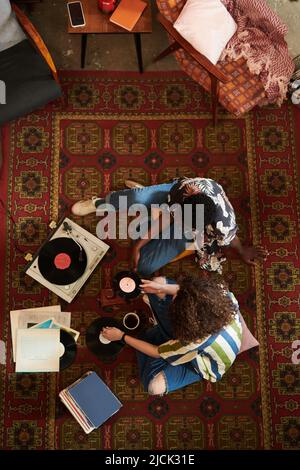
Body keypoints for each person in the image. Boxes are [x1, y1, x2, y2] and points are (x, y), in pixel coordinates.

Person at [71, 177, 268, 276]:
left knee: (144, 268)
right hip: (172, 198)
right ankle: (98, 203)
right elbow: (169, 216)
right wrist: (138, 246)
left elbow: (231, 239)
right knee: (136, 198)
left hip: (191, 231)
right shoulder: (187, 189)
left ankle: (149, 210)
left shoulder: (223, 227)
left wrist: (242, 250)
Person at [101, 275, 243, 395]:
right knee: (159, 283)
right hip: (201, 334)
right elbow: (185, 290)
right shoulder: (220, 292)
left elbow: (156, 352)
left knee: (153, 387)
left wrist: (122, 336)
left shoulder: (194, 341)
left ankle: (163, 339)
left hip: (202, 364)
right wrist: (161, 288)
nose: (173, 296)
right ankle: (163, 337)